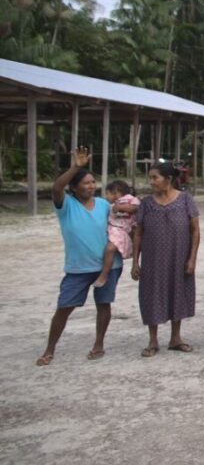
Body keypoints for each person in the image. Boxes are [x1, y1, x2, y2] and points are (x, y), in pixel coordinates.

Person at [37, 148, 122, 365]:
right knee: (64, 307)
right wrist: (75, 167)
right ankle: (50, 349)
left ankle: (99, 343)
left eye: (93, 182)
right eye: (85, 183)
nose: (91, 186)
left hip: (107, 266)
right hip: (78, 267)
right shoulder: (65, 205)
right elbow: (57, 187)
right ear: (74, 187)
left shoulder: (104, 205)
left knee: (104, 305)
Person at [131, 161, 200, 357]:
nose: (151, 181)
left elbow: (195, 231)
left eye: (155, 177)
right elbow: (138, 233)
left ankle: (175, 338)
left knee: (177, 292)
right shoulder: (146, 204)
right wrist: (136, 261)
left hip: (179, 258)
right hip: (153, 260)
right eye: (150, 177)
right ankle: (153, 340)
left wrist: (192, 259)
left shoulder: (186, 200)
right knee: (151, 294)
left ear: (168, 179)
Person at [93, 179, 139, 289]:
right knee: (108, 249)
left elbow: (136, 207)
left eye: (107, 194)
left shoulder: (128, 199)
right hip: (114, 229)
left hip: (121, 230)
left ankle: (104, 275)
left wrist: (120, 207)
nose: (106, 197)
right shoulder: (111, 204)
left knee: (109, 250)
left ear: (115, 193)